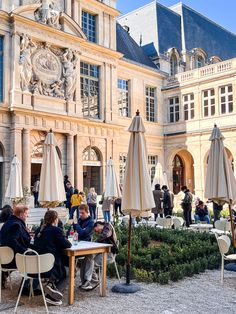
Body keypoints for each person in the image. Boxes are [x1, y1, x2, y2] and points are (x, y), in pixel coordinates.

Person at [34, 210, 72, 306]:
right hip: (51, 266)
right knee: (70, 271)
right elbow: (67, 244)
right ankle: (51, 295)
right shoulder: (56, 230)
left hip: (38, 265)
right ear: (55, 220)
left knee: (64, 267)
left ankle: (51, 285)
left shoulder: (39, 230)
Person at [80, 221, 118, 290]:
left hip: (109, 254)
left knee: (91, 263)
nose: (96, 232)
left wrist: (95, 243)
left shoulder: (108, 226)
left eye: (95, 230)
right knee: (87, 258)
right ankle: (85, 282)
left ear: (98, 225)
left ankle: (93, 282)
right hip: (102, 252)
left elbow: (105, 235)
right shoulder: (104, 230)